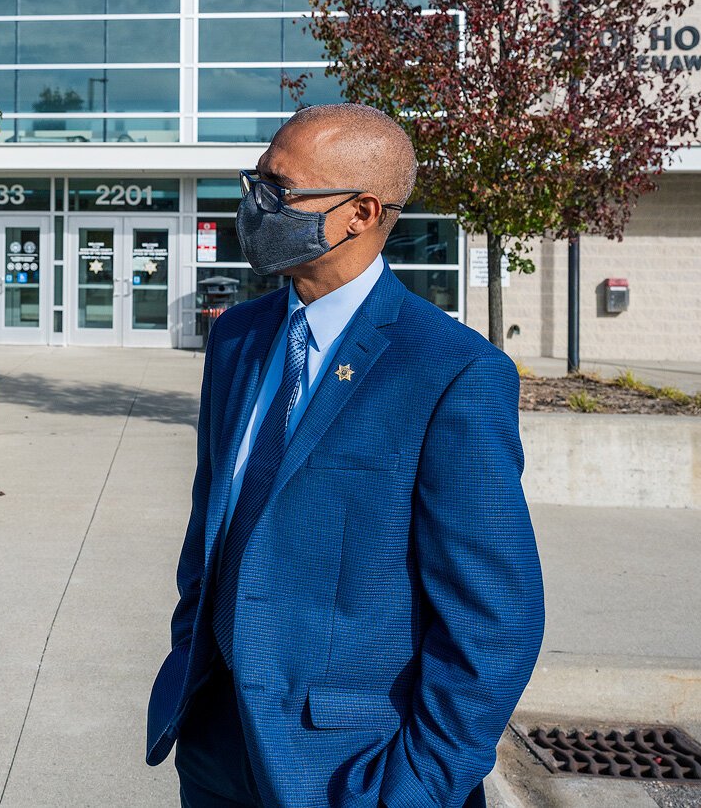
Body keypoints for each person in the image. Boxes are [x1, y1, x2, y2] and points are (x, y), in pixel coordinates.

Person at [147, 103, 545, 807]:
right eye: (254, 182)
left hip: (349, 767)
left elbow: (493, 620)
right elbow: (211, 517)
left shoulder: (453, 371)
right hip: (215, 739)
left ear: (361, 213)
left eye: (279, 190)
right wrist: (191, 650)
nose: (255, 206)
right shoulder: (236, 337)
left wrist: (414, 789)